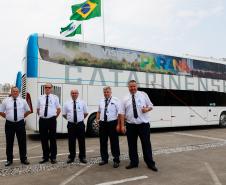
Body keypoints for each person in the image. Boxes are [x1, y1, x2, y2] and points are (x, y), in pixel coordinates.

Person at [120, 80, 158, 171]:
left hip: (143, 125)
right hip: (131, 125)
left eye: (134, 86)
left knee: (146, 144)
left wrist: (147, 109)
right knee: (132, 145)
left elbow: (151, 105)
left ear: (137, 86)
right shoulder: (125, 98)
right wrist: (122, 125)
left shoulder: (143, 94)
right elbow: (122, 113)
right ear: (128, 87)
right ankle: (134, 162)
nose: (132, 88)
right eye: (131, 87)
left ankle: (150, 163)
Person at [0, 87, 31, 166]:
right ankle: (9, 160)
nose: (15, 93)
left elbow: (28, 110)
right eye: (14, 91)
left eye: (17, 91)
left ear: (18, 92)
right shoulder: (5, 101)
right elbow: (1, 112)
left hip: (20, 124)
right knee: (9, 142)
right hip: (9, 124)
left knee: (22, 142)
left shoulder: (23, 101)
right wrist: (7, 117)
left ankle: (23, 158)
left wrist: (21, 117)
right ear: (11, 92)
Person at [96, 86, 121, 168]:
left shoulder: (116, 100)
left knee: (114, 142)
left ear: (110, 92)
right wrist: (97, 119)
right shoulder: (101, 101)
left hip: (112, 123)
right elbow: (99, 111)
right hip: (103, 123)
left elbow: (119, 113)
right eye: (105, 92)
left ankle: (116, 159)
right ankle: (104, 159)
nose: (106, 93)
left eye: (107, 92)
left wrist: (118, 124)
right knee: (103, 142)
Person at [37, 83, 61, 164]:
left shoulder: (55, 98)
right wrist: (42, 116)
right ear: (44, 88)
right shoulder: (40, 98)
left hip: (52, 120)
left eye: (49, 87)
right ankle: (45, 157)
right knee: (43, 139)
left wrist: (53, 117)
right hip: (42, 120)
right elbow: (38, 109)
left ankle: (53, 157)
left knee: (52, 139)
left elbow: (58, 109)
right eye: (46, 87)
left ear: (51, 88)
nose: (47, 88)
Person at [63, 89, 88, 164]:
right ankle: (71, 156)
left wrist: (79, 119)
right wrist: (71, 119)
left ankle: (82, 157)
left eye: (75, 93)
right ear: (71, 94)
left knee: (81, 141)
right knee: (71, 141)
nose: (74, 94)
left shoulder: (82, 103)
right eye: (72, 93)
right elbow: (64, 114)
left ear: (78, 94)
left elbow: (86, 113)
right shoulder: (67, 103)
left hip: (80, 124)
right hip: (71, 125)